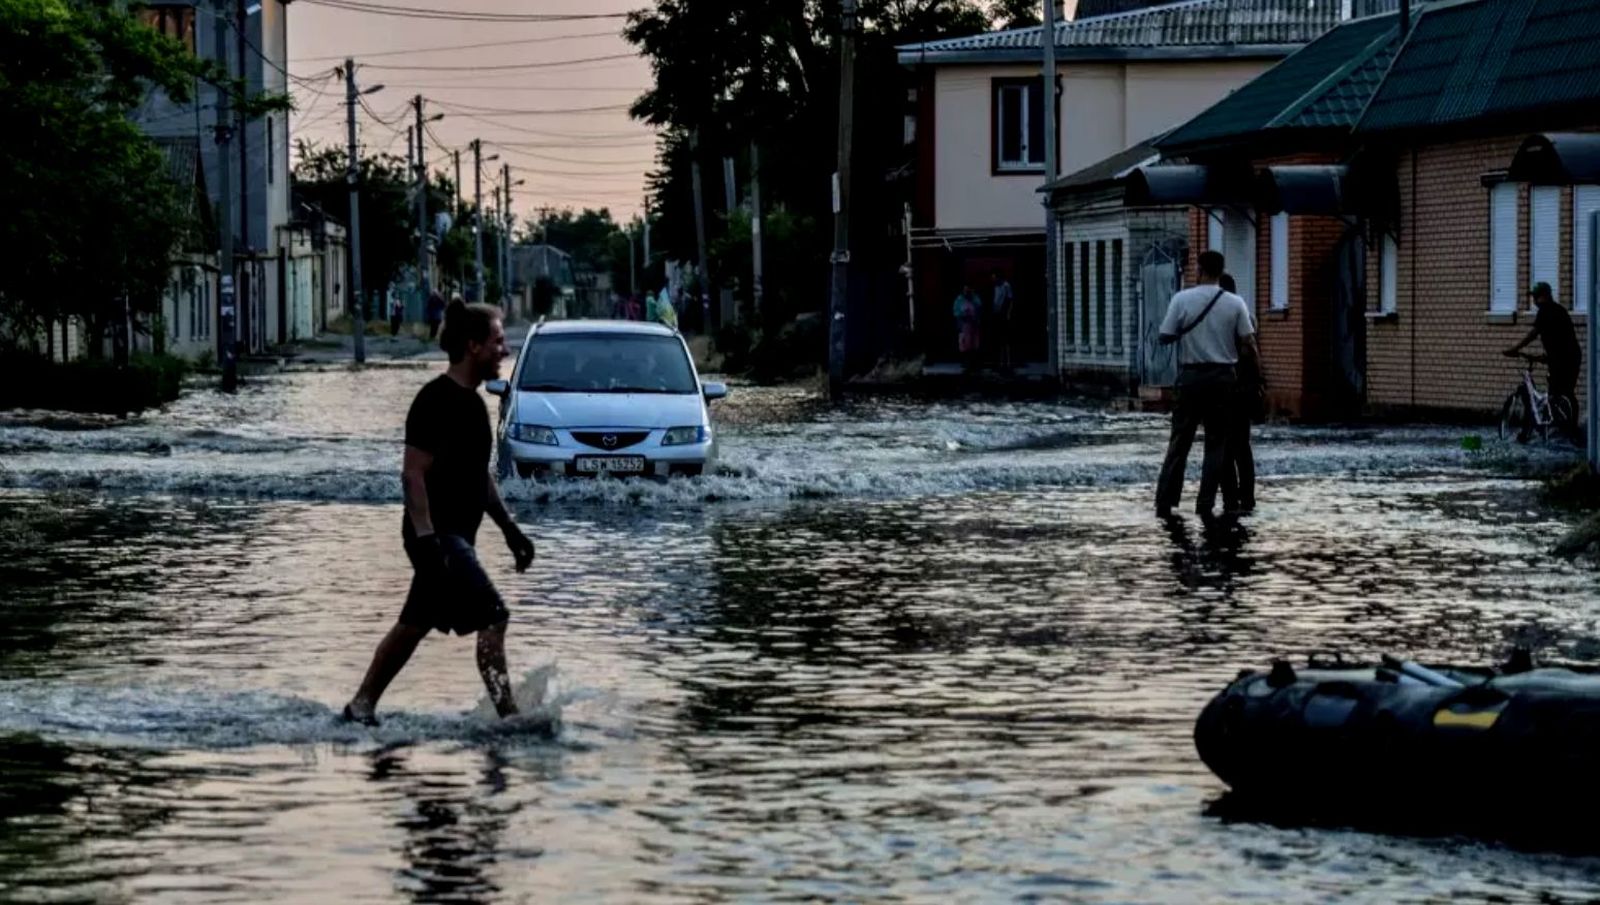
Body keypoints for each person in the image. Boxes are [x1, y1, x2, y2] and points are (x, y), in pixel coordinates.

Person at [342, 300, 537, 726]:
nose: (504, 351)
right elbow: (413, 475)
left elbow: (479, 478)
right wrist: (429, 541)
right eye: (498, 341)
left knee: (414, 623)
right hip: (439, 537)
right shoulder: (435, 399)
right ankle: (509, 718)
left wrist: (510, 530)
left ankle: (360, 707)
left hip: (454, 537)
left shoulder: (473, 404)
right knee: (494, 614)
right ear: (473, 347)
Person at [1154, 251, 1260, 518]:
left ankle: (1166, 501)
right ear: (1221, 270)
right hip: (1223, 379)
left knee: (1180, 441)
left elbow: (1164, 336)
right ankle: (1206, 503)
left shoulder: (1182, 299)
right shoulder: (1235, 303)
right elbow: (1248, 344)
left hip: (1190, 377)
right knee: (1216, 443)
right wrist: (1255, 377)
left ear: (1199, 270)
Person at [1505, 281, 1582, 438]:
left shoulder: (1546, 311)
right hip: (1570, 356)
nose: (1534, 301)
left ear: (1545, 296)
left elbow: (1534, 333)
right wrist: (1547, 356)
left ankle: (1558, 428)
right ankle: (1571, 427)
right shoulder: (1560, 310)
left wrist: (1515, 349)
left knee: (1557, 392)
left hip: (1563, 358)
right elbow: (1560, 337)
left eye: (1536, 297)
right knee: (1566, 392)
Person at [1217, 272, 1264, 513]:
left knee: (1224, 447)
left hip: (1224, 390)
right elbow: (1254, 357)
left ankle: (1230, 498)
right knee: (1242, 447)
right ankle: (1247, 497)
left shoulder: (1219, 321)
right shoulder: (1248, 318)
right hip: (1243, 391)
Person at [990, 269, 1015, 372]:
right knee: (999, 339)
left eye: (994, 278)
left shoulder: (1006, 286)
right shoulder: (995, 286)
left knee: (1006, 339)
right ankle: (1000, 362)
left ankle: (1008, 362)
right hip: (997, 314)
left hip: (1004, 314)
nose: (993, 280)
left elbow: (1011, 300)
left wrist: (1008, 313)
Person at [953, 285, 982, 371]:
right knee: (964, 343)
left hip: (974, 324)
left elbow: (979, 307)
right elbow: (956, 311)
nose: (967, 293)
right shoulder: (959, 299)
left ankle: (974, 362)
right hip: (963, 324)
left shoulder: (976, 298)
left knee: (974, 342)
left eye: (969, 291)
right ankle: (965, 362)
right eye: (965, 291)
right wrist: (962, 317)